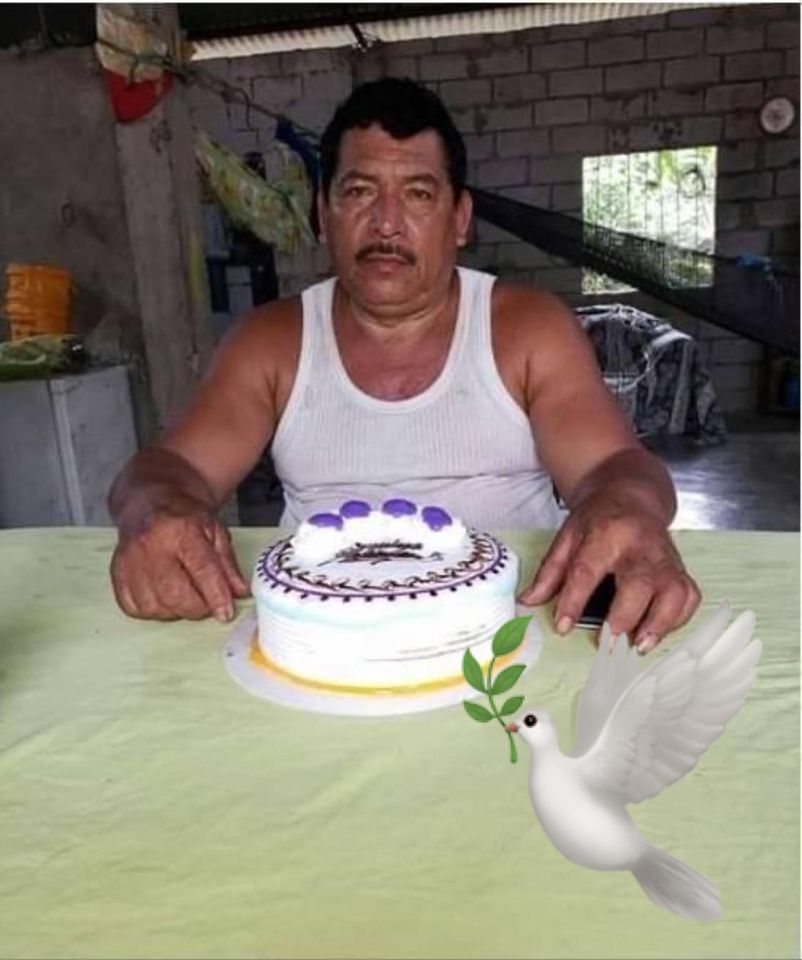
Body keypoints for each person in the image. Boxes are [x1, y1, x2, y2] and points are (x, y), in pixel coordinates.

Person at [109, 77, 700, 654]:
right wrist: (156, 509)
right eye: (359, 192)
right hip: (321, 650)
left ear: (460, 219)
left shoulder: (528, 328)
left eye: (418, 194)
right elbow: (169, 469)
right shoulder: (271, 342)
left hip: (508, 642)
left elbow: (615, 465)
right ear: (323, 214)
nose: (386, 223)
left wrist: (627, 507)